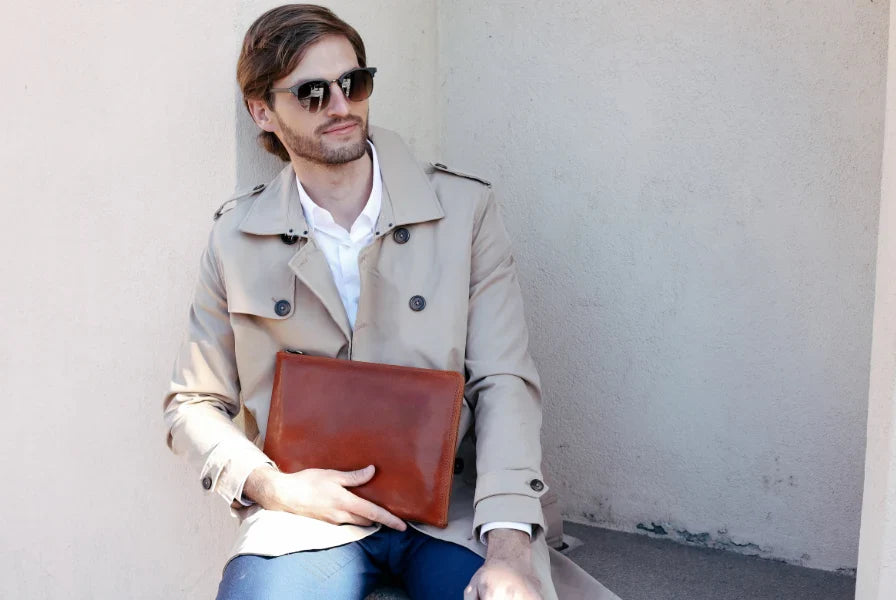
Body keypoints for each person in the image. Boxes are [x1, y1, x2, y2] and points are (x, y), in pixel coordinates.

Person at [163, 4, 618, 599]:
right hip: (304, 515)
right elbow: (193, 402)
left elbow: (504, 381)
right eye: (312, 93)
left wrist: (509, 546)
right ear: (262, 111)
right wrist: (273, 487)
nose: (340, 106)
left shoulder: (463, 211)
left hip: (455, 508)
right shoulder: (236, 236)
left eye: (353, 83)